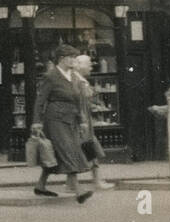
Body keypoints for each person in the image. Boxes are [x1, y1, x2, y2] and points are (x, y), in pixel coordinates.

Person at [32, 44, 93, 202]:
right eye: (71, 57)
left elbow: (78, 99)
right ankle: (78, 192)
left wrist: (82, 120)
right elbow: (40, 101)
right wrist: (37, 122)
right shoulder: (51, 76)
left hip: (70, 119)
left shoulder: (72, 76)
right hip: (55, 119)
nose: (74, 60)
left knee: (58, 154)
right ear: (61, 59)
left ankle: (40, 186)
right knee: (68, 151)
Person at [71, 54, 114, 191]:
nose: (91, 67)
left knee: (79, 149)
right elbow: (80, 102)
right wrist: (82, 120)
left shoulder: (76, 79)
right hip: (82, 121)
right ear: (80, 65)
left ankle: (72, 184)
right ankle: (96, 181)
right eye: (89, 64)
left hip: (81, 120)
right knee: (89, 148)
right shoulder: (79, 81)